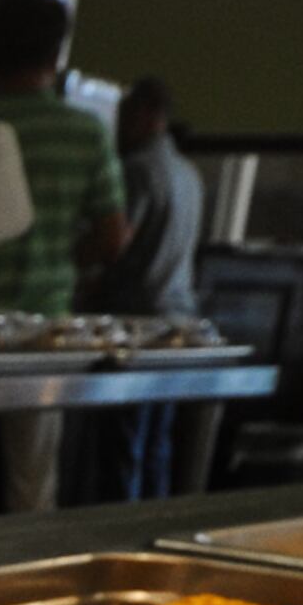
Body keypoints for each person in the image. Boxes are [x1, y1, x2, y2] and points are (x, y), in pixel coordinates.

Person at [0, 0, 130, 518]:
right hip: (46, 333)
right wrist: (65, 259)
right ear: (57, 53)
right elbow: (115, 237)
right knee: (32, 486)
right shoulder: (87, 133)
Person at [90, 75, 206, 499]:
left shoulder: (138, 169)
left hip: (138, 323)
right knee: (157, 446)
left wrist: (79, 260)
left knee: (124, 450)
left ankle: (117, 535)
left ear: (141, 114)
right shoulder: (188, 173)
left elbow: (117, 241)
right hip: (181, 325)